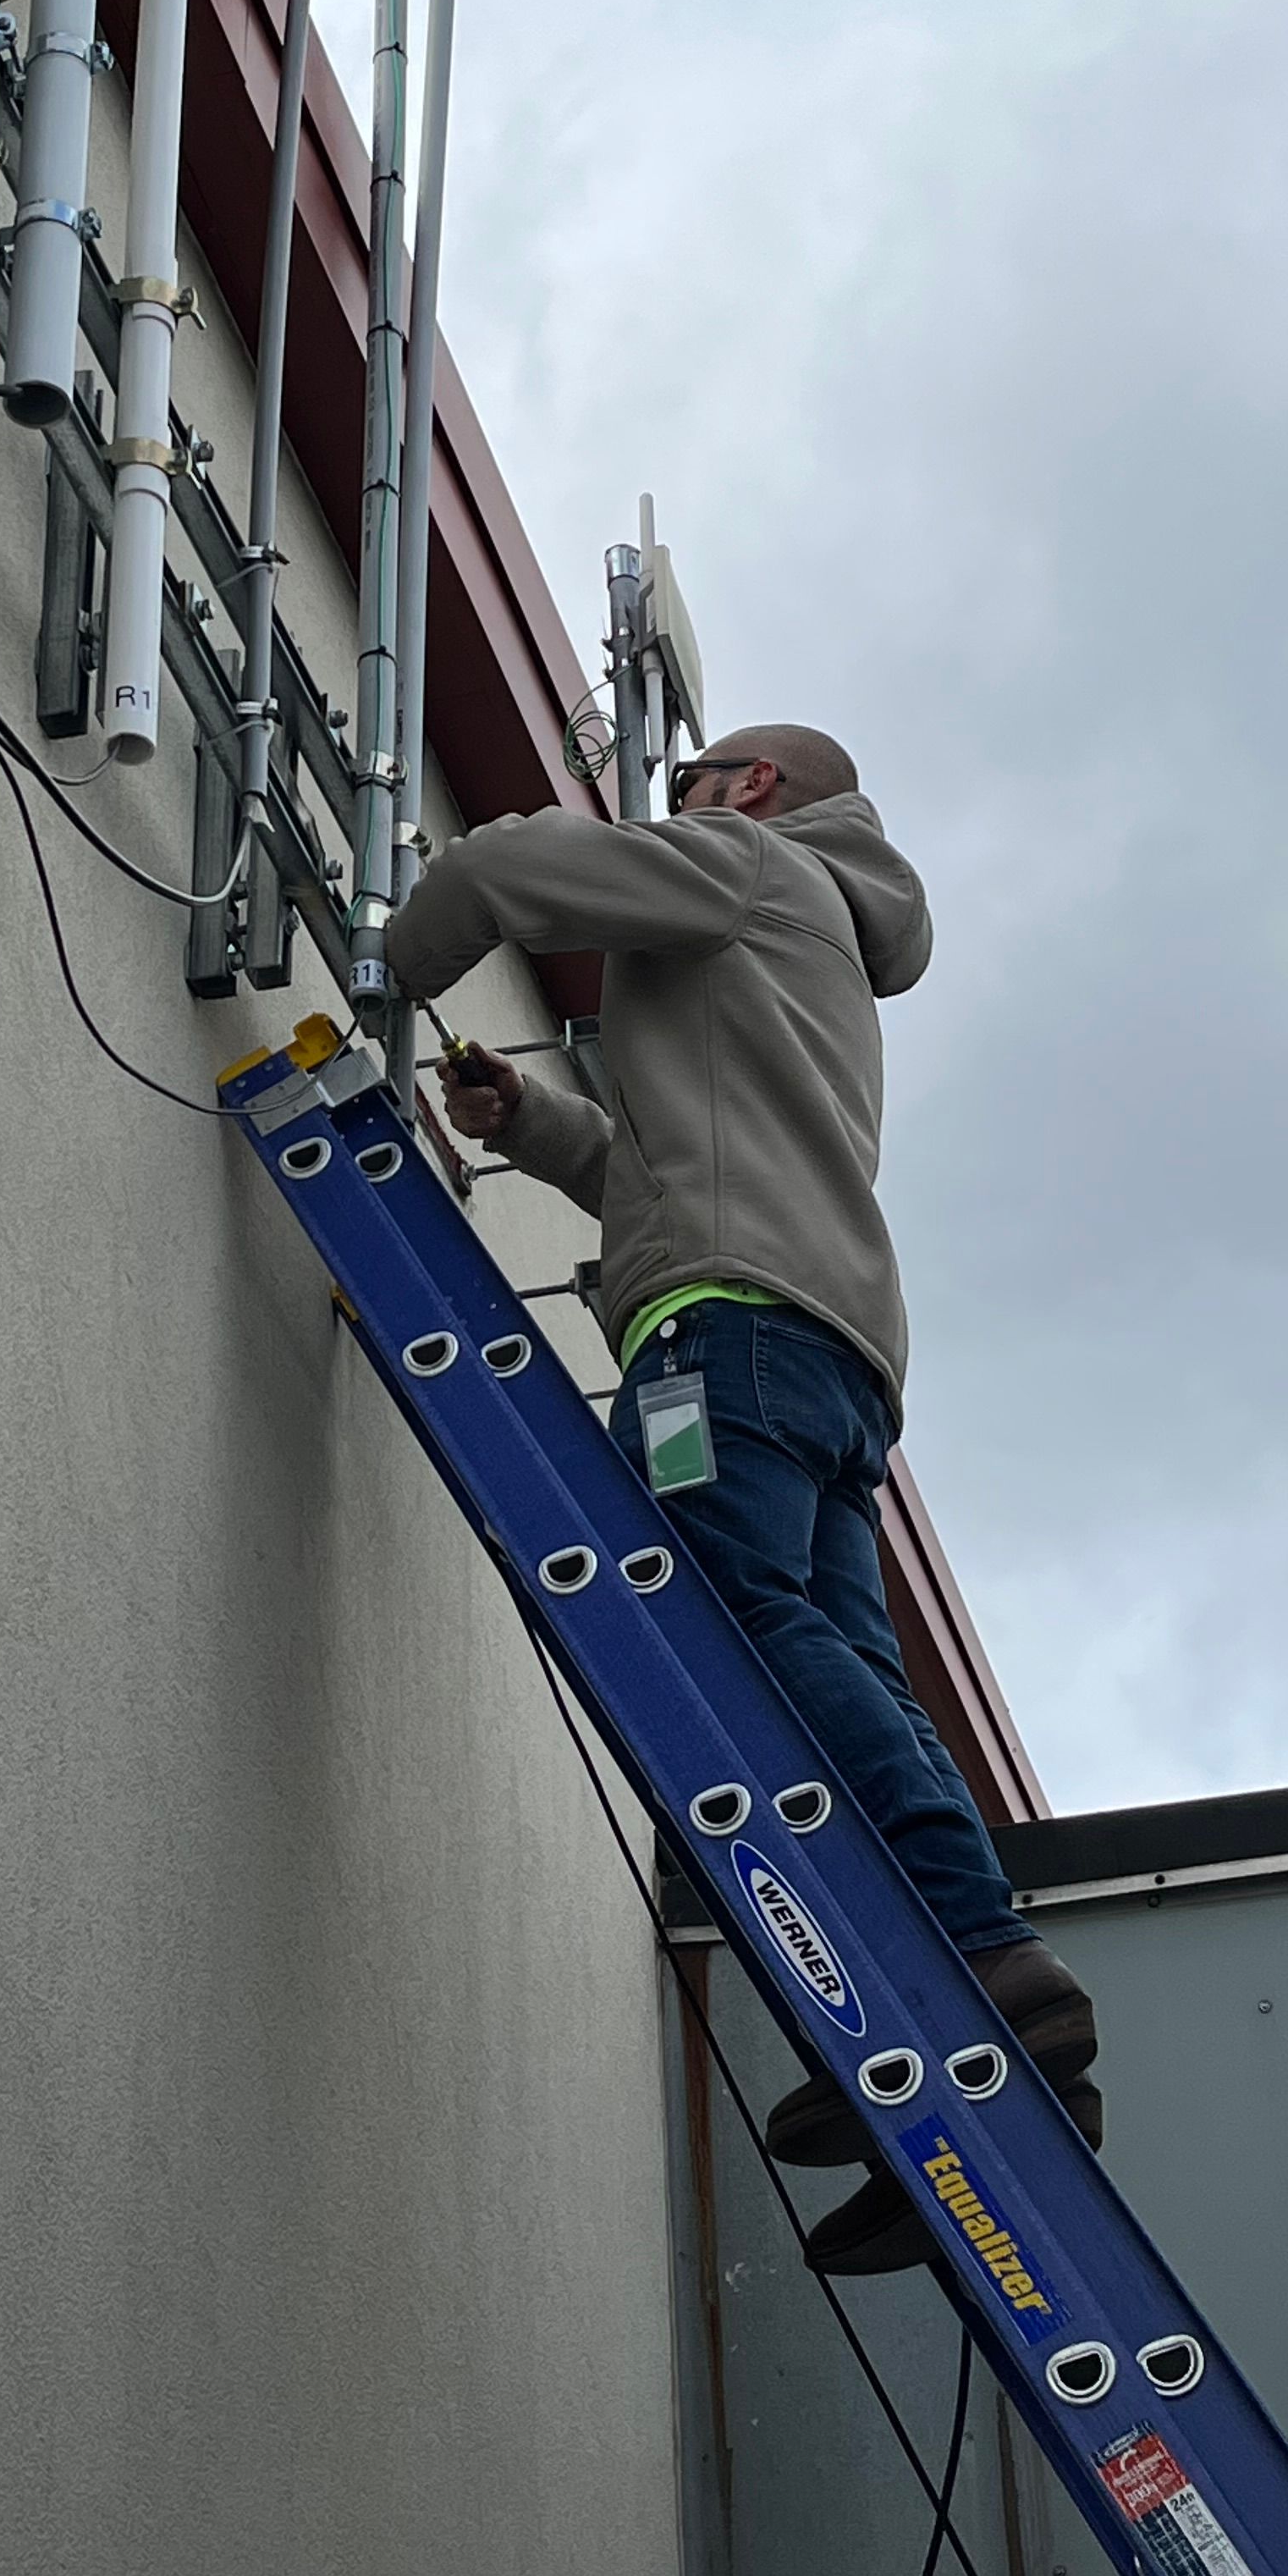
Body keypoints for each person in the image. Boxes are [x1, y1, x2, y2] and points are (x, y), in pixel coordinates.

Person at [383, 723, 1099, 2277]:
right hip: (818, 1344)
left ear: (750, 789)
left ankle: (975, 1959)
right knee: (835, 1663)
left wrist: (392, 960)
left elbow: (503, 871)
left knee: (740, 1624)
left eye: (687, 782)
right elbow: (688, 1158)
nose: (671, 802)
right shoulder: (817, 915)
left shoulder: (753, 864)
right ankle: (974, 1994)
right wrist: (544, 1127)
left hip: (729, 1329)